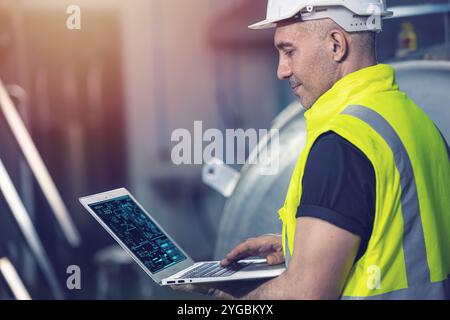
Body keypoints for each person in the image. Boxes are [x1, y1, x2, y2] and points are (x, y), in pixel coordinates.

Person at [175, 0, 450, 299]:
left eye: (289, 50)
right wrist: (296, 245)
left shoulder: (343, 143)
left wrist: (233, 300)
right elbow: (401, 237)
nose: (282, 70)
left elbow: (305, 294)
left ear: (336, 45)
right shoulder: (414, 119)